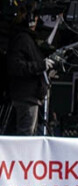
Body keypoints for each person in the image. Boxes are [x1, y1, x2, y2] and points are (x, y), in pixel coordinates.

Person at [6, 0, 53, 136]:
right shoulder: (22, 39)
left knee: (30, 134)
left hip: (30, 96)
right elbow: (16, 66)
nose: (37, 21)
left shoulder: (27, 39)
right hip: (26, 97)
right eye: (36, 17)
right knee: (26, 136)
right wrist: (41, 65)